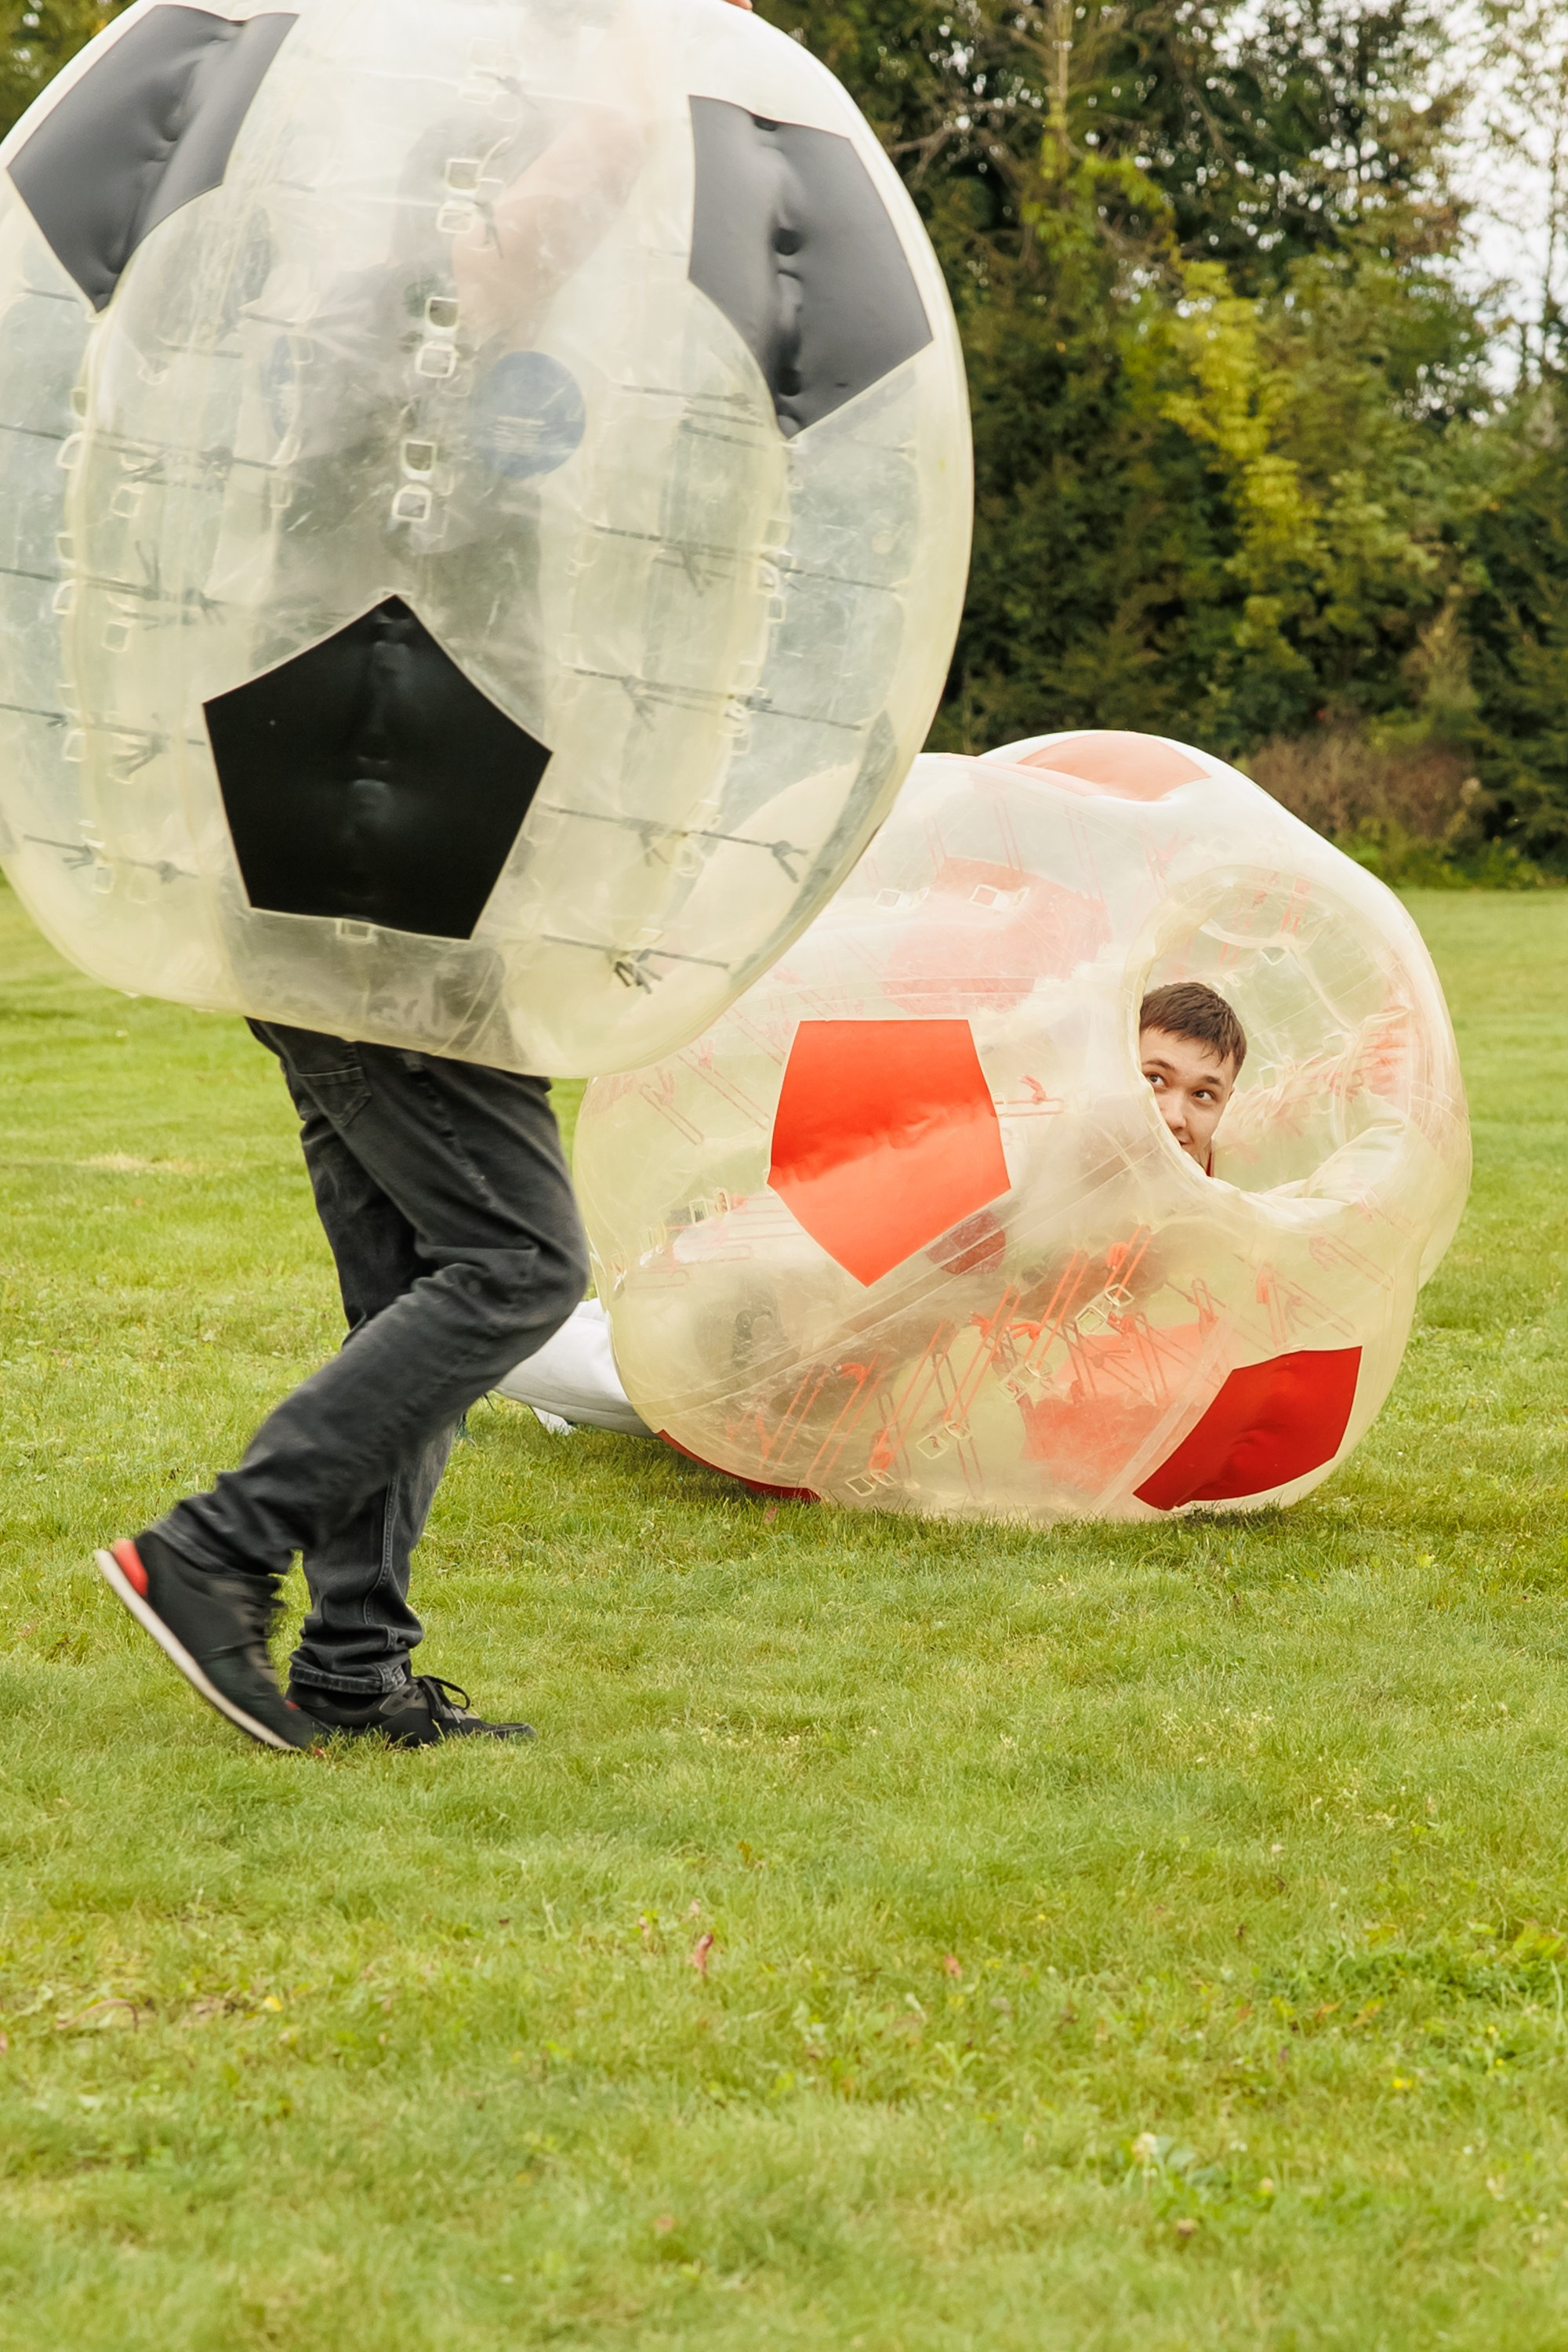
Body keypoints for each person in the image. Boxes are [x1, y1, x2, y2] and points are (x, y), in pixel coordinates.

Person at [96, 0, 758, 1755]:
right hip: (375, 855)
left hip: (374, 842)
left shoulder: (362, 336)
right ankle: (211, 1550)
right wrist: (656, 37)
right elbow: (559, 188)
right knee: (521, 1263)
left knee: (411, 1288)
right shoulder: (417, 308)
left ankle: (352, 1666)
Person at [502, 979, 1250, 1437]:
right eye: (1155, 1077)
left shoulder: (1171, 1182)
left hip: (883, 1303)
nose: (1175, 1112)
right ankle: (449, 1329)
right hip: (826, 1271)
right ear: (1120, 1067)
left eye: (1202, 1095)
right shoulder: (1070, 1136)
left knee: (665, 1345)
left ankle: (553, 1376)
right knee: (688, 1394)